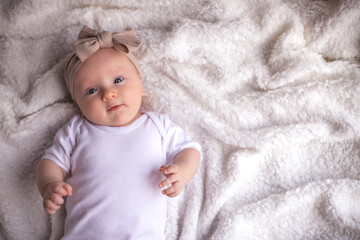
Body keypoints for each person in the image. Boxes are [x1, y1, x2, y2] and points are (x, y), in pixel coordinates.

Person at [36, 25, 201, 239]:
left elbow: (189, 149)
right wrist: (49, 185)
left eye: (118, 80)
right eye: (92, 90)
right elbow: (50, 162)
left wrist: (182, 171)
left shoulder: (157, 125)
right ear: (78, 103)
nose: (108, 94)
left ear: (140, 85)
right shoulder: (77, 130)